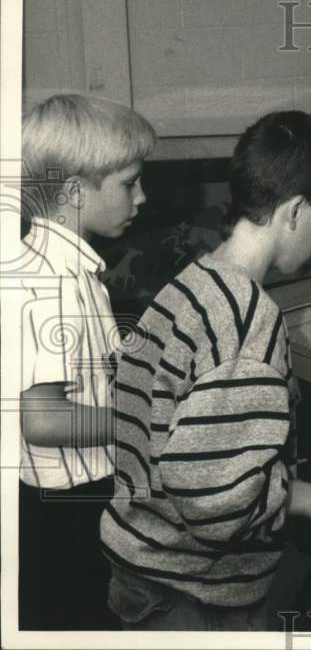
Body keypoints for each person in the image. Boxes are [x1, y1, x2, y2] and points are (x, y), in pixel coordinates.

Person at [100, 111, 311, 630]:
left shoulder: (190, 283)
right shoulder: (250, 319)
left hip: (143, 564)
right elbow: (213, 500)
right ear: (295, 212)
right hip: (195, 594)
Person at [18, 94, 157, 629]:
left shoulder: (71, 272)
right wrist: (144, 421)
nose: (142, 197)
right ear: (75, 192)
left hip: (83, 495)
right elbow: (44, 420)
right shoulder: (49, 283)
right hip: (67, 508)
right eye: (129, 183)